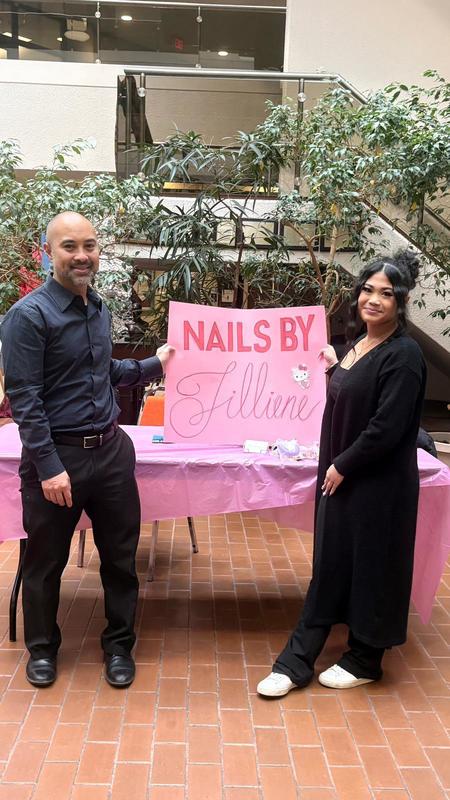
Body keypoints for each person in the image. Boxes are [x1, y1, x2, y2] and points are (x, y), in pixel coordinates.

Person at [0, 211, 174, 689]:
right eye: (69, 246)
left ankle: (119, 646)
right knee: (44, 562)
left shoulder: (97, 307)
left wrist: (156, 363)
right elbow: (26, 401)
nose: (82, 255)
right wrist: (51, 468)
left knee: (121, 560)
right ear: (48, 253)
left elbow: (106, 374)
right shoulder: (27, 317)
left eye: (90, 246)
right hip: (56, 460)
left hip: (112, 453)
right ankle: (42, 649)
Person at [257, 250, 426, 696]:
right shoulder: (359, 346)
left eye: (386, 294)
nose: (373, 299)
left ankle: (365, 658)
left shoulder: (404, 355)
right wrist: (335, 366)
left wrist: (341, 464)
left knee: (373, 565)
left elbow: (386, 427)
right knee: (331, 565)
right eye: (368, 290)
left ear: (401, 302)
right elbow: (355, 394)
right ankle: (297, 661)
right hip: (344, 478)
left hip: (376, 485)